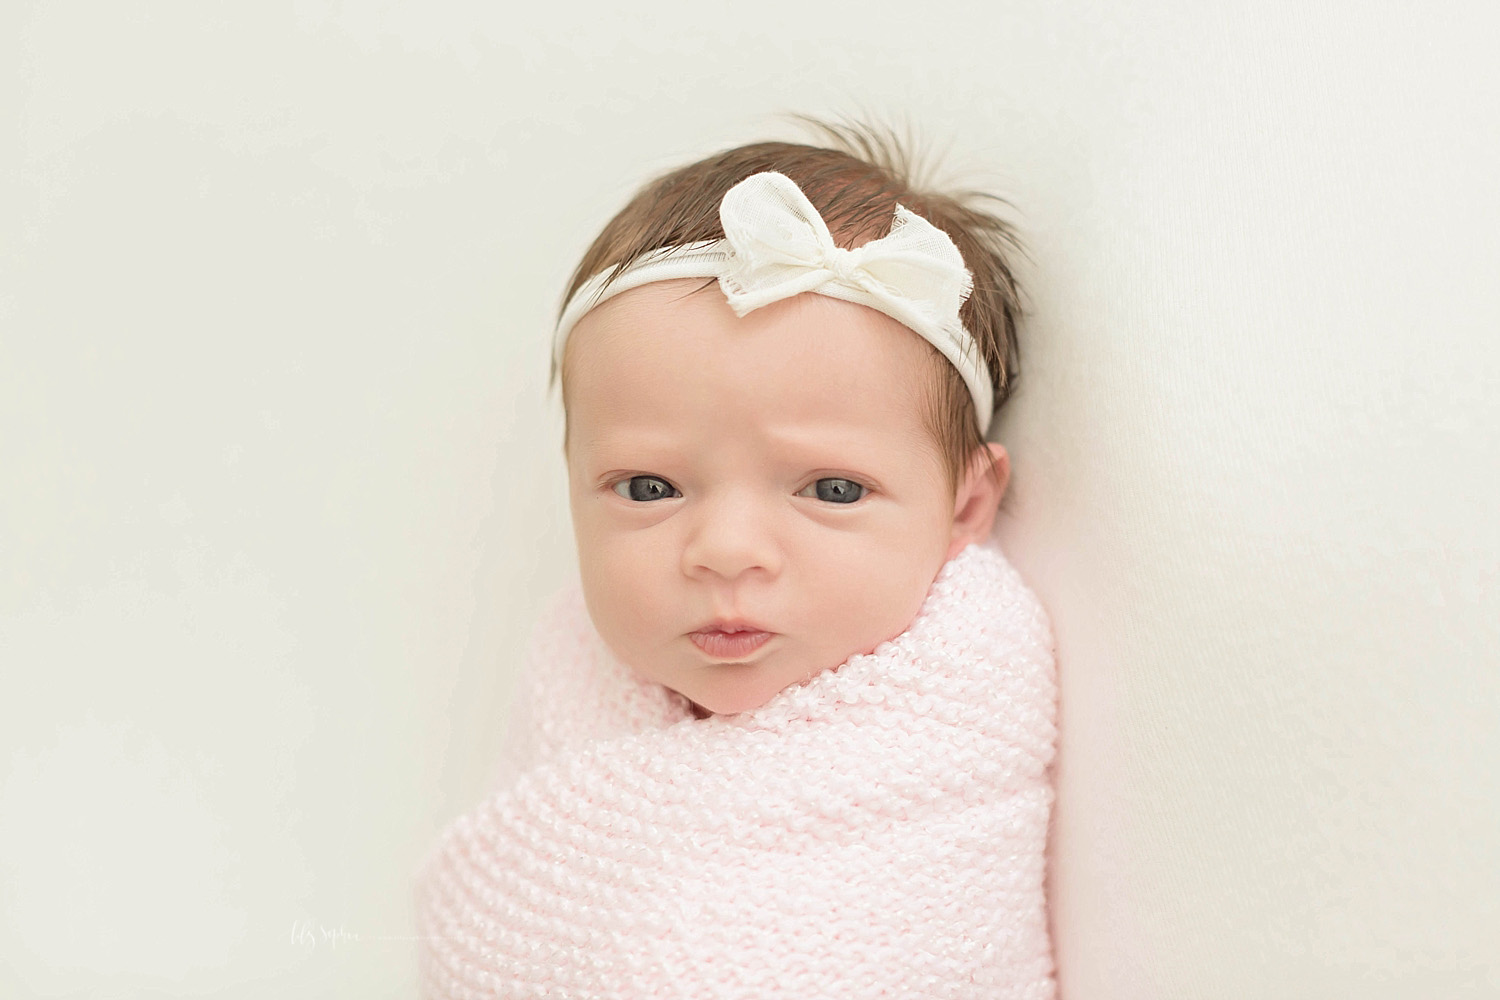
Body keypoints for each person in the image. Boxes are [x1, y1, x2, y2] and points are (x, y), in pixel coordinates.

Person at [415, 121, 1059, 998]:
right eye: (648, 489)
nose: (724, 553)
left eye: (832, 491)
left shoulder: (961, 713)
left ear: (967, 508)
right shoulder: (574, 679)